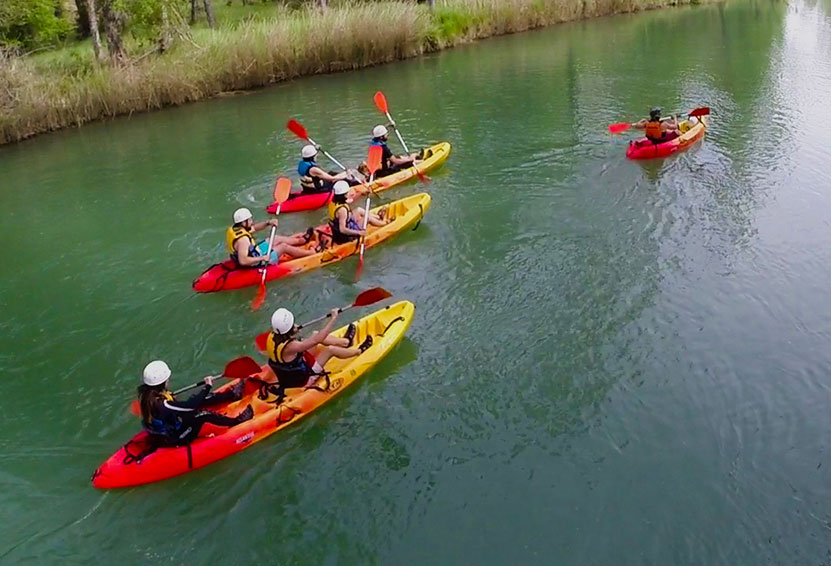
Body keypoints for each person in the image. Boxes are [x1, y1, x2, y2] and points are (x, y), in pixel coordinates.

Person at [137, 360, 254, 447]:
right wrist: (207, 386)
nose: (169, 380)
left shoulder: (147, 395)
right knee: (202, 414)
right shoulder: (162, 404)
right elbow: (190, 407)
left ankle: (232, 395)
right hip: (175, 437)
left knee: (199, 399)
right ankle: (236, 421)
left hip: (172, 424)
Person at [265, 307, 373, 391]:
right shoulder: (291, 346)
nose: (295, 325)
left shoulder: (271, 337)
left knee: (315, 334)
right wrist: (333, 318)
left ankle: (345, 342)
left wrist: (292, 331)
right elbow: (318, 339)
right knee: (330, 350)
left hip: (292, 370)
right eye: (293, 324)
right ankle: (359, 351)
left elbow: (314, 338)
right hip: (305, 378)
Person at [227, 207, 314, 268]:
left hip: (255, 253)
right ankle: (310, 253)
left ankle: (300, 241)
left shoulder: (237, 229)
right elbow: (243, 261)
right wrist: (262, 258)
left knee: (276, 238)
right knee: (283, 247)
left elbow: (254, 228)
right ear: (243, 222)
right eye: (249, 220)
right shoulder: (243, 241)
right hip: (255, 262)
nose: (252, 221)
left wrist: (268, 223)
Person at [327, 181, 389, 245]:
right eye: (348, 192)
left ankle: (378, 217)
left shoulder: (333, 201)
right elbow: (342, 229)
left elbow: (351, 199)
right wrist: (359, 232)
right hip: (345, 236)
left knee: (359, 210)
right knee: (366, 218)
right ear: (344, 195)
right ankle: (385, 223)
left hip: (345, 224)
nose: (349, 193)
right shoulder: (342, 210)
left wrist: (363, 193)